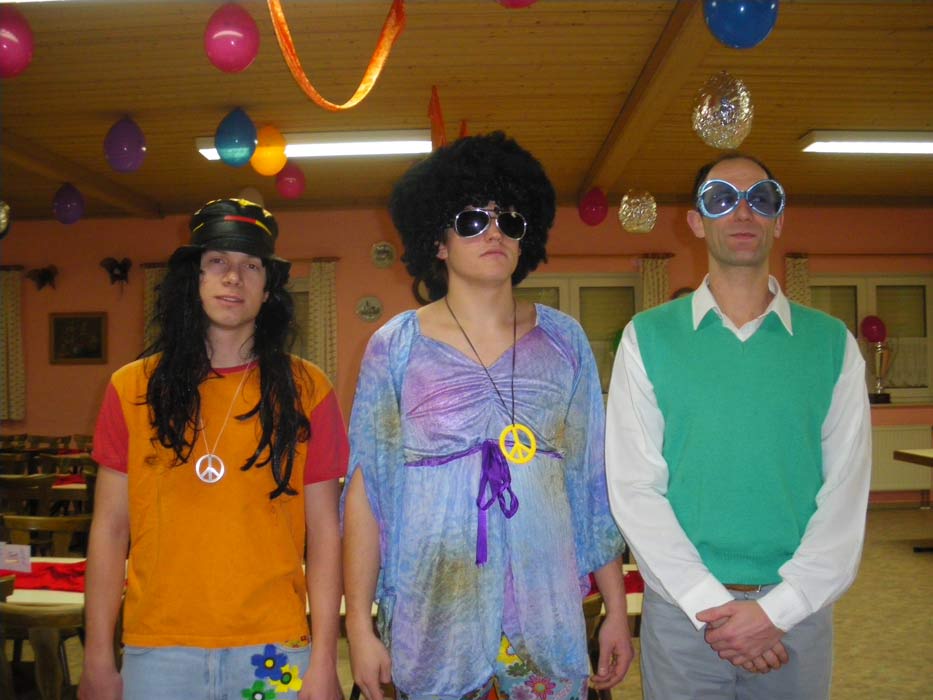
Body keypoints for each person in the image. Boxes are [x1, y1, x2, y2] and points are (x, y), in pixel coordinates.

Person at [343, 132, 633, 700]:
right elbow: (365, 491)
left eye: (510, 220)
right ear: (439, 241)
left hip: (545, 611)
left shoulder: (565, 340)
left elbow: (590, 485)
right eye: (473, 219)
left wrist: (616, 612)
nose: (495, 231)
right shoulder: (394, 347)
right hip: (435, 610)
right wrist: (359, 625)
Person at [605, 154, 871, 699]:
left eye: (761, 199)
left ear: (780, 219)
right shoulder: (647, 337)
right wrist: (711, 606)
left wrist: (778, 611)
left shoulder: (831, 344)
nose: (743, 211)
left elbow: (845, 494)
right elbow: (634, 486)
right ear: (696, 221)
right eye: (721, 198)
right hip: (681, 611)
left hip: (796, 614)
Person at [78, 199, 347, 700]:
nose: (233, 277)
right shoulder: (131, 388)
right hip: (158, 648)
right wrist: (97, 656)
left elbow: (326, 535)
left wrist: (326, 661)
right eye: (218, 261)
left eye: (251, 266)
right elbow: (110, 530)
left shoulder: (309, 390)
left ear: (268, 288)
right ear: (193, 280)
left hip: (275, 646)